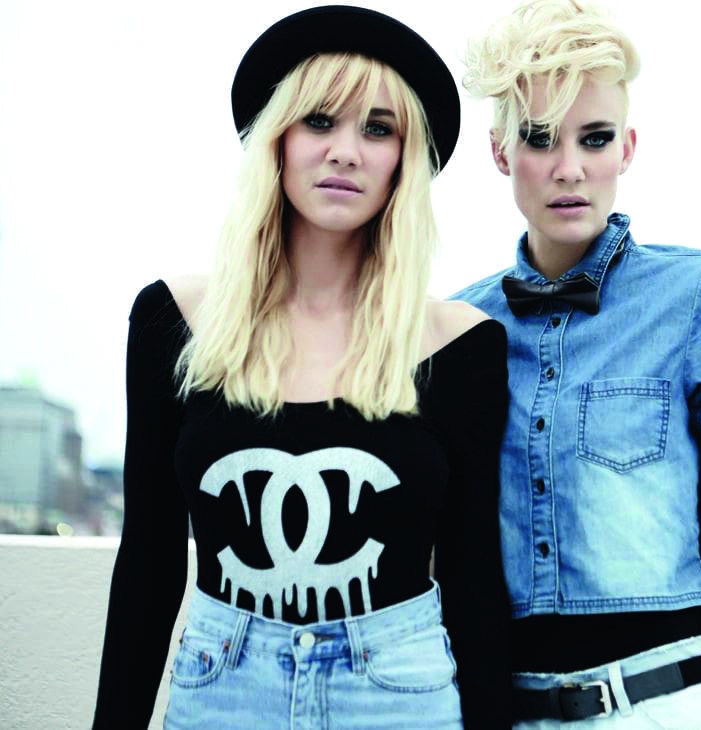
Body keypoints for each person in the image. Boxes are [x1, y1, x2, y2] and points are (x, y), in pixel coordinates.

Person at [92, 6, 510, 729]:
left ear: (404, 161)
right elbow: (150, 559)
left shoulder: (459, 345)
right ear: (277, 140)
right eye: (319, 121)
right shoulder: (175, 322)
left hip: (397, 697)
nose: (345, 151)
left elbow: (473, 579)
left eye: (377, 129)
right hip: (221, 693)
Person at [451, 1, 701, 728]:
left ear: (626, 149)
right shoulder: (459, 328)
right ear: (500, 151)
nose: (569, 168)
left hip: (669, 706)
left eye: (594, 139)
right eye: (540, 138)